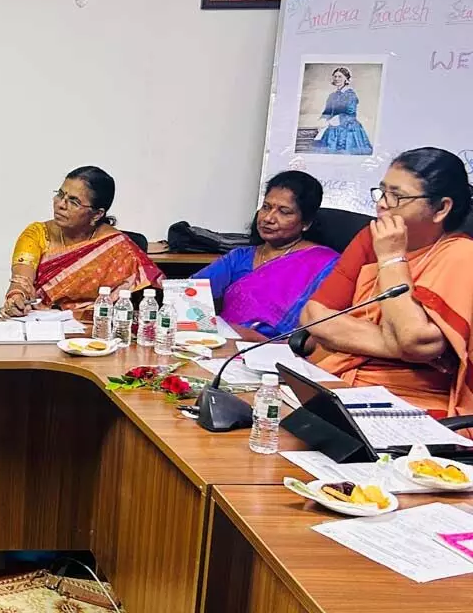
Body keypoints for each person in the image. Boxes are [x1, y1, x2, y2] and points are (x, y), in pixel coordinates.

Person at [300, 148, 473, 416]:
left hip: (412, 404)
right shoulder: (371, 238)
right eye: (382, 192)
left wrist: (392, 259)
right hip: (337, 382)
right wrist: (401, 347)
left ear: (441, 208)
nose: (381, 203)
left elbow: (416, 340)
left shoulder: (461, 255)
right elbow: (314, 316)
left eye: (397, 196)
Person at [193, 171, 338, 340]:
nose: (268, 218)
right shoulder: (239, 257)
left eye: (284, 212)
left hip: (278, 356)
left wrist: (251, 337)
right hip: (222, 346)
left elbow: (315, 332)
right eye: (266, 207)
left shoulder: (325, 264)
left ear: (306, 223)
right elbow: (187, 294)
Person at [3, 166, 163, 318]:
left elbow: (148, 297)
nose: (60, 204)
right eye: (60, 194)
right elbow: (21, 281)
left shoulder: (117, 246)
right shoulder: (36, 233)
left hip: (97, 329)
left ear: (97, 214)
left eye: (74, 201)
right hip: (42, 325)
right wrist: (16, 296)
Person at [313, 67, 373, 156]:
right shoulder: (332, 96)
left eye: (340, 76)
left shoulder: (350, 95)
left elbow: (351, 115)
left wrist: (338, 119)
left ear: (346, 78)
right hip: (332, 130)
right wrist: (322, 120)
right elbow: (327, 111)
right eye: (335, 76)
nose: (337, 79)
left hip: (348, 129)